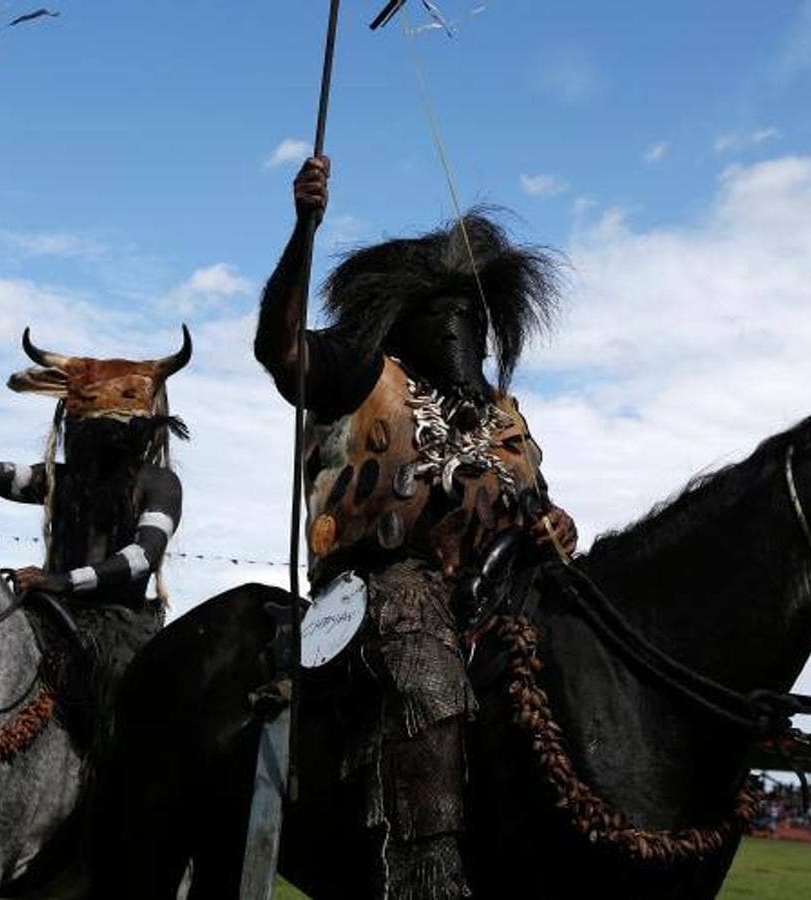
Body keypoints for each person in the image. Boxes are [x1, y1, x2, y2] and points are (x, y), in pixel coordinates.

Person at [255, 156, 576, 899]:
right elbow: (282, 348)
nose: (464, 338)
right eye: (446, 319)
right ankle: (424, 874)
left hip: (504, 586)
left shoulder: (504, 415)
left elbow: (538, 507)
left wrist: (553, 524)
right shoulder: (366, 371)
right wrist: (304, 229)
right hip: (390, 583)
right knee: (424, 670)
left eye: (475, 323)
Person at [0, 326, 192, 659]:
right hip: (50, 616)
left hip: (120, 636)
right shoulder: (59, 478)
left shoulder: (159, 483)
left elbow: (143, 556)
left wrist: (60, 581)